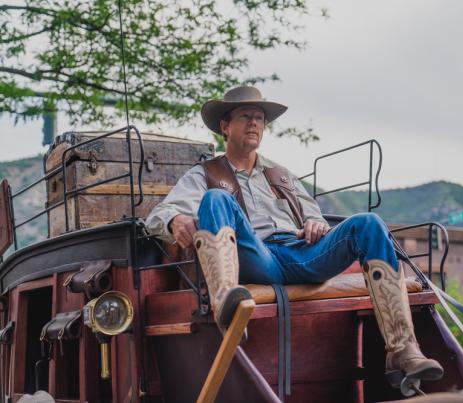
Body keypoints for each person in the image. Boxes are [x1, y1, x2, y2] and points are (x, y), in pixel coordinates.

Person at [145, 86, 443, 386]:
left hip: (302, 254)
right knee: (216, 199)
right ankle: (227, 307)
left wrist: (315, 224)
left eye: (260, 119)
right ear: (225, 126)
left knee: (369, 223)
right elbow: (157, 215)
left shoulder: (281, 175)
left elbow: (314, 214)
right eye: (245, 116)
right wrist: (174, 220)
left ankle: (403, 350)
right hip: (255, 255)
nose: (254, 124)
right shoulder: (205, 173)